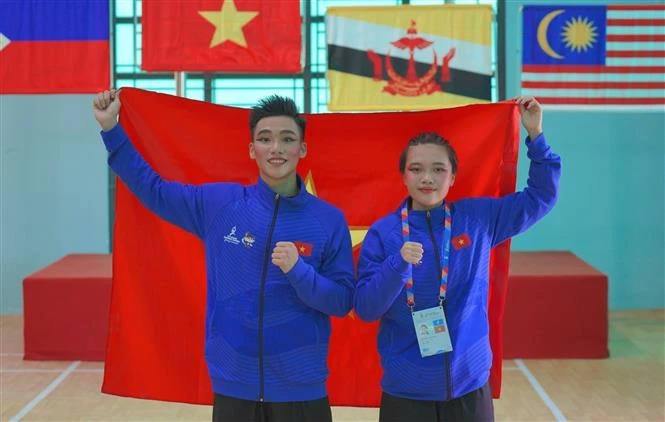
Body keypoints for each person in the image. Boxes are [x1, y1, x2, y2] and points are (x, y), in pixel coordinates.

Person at [93, 89, 355, 422]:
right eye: (265, 139)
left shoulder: (328, 220)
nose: (276, 148)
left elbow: (344, 300)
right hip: (234, 388)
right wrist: (111, 129)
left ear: (301, 148)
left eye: (287, 139)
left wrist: (300, 274)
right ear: (252, 149)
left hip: (302, 391)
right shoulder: (220, 205)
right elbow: (154, 190)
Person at [354, 96, 560, 422]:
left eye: (439, 170)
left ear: (452, 177)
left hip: (469, 388)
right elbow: (366, 308)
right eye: (417, 169)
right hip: (406, 394)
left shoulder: (478, 220)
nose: (428, 178)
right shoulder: (384, 234)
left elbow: (540, 198)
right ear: (403, 177)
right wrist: (397, 264)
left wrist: (536, 135)